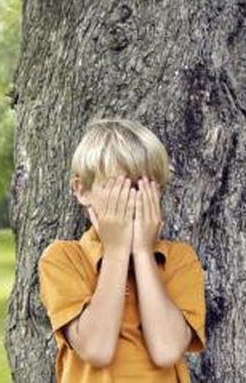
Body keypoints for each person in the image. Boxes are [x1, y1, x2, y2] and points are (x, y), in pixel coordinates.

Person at [39, 119, 206, 382]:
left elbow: (166, 351)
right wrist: (116, 251)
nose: (130, 200)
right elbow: (96, 349)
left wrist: (142, 252)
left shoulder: (179, 259)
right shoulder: (63, 259)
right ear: (82, 190)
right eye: (118, 188)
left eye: (141, 188)